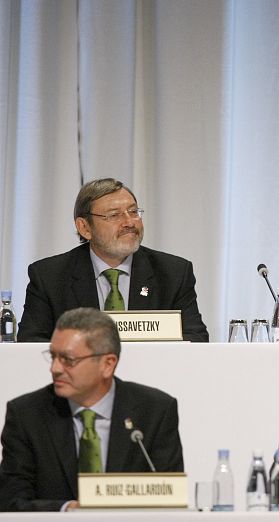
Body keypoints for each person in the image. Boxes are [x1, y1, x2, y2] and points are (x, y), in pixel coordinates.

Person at [0, 308, 183, 511]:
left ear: (107, 364)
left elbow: (168, 499)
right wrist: (68, 509)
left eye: (68, 360)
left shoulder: (155, 412)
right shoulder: (27, 415)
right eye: (53, 357)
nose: (55, 369)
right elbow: (11, 502)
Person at [17, 178, 209, 342]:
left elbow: (195, 338)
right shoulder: (49, 276)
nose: (129, 222)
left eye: (133, 212)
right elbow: (31, 343)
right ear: (85, 227)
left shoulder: (173, 273)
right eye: (114, 215)